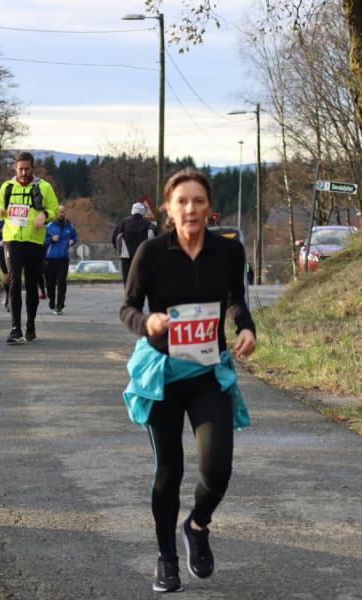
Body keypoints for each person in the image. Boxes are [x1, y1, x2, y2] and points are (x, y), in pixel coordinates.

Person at [120, 169, 256, 593]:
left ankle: (197, 525)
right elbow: (127, 308)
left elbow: (235, 298)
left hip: (206, 371)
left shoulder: (228, 252)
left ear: (209, 208)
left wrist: (246, 328)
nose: (190, 209)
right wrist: (148, 322)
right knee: (169, 470)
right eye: (182, 201)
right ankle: (165, 558)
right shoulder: (151, 252)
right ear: (168, 209)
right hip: (162, 373)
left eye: (198, 201)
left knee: (218, 467)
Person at [0, 151, 59, 343]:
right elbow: (0, 211)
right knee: (14, 282)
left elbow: (55, 209)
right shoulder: (6, 187)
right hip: (12, 240)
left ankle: (30, 323)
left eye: (27, 169)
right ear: (15, 168)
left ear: (33, 168)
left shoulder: (44, 187)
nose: (23, 173)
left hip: (34, 241)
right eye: (20, 169)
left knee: (32, 285)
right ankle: (15, 328)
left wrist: (44, 216)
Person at [112, 201, 157, 283]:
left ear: (132, 211)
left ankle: (128, 293)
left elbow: (115, 238)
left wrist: (119, 251)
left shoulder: (123, 223)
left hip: (126, 256)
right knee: (141, 278)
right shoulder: (149, 224)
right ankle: (140, 293)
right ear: (143, 212)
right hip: (143, 256)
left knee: (127, 279)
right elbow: (153, 239)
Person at [43, 208, 77, 315]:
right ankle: (52, 300)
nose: (61, 214)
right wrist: (51, 240)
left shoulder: (70, 227)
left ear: (65, 213)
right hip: (50, 259)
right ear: (55, 214)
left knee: (62, 281)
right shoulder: (49, 227)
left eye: (62, 212)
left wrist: (72, 241)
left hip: (63, 258)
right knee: (50, 283)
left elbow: (74, 237)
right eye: (59, 212)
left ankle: (60, 305)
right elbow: (42, 241)